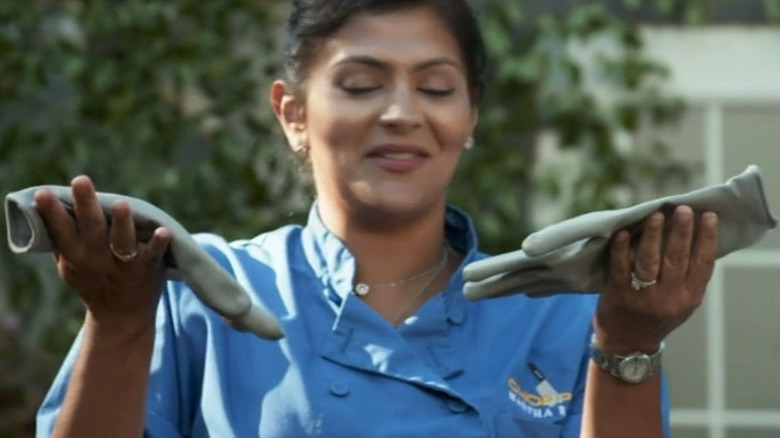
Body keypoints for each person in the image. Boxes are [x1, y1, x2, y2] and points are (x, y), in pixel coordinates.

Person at [33, 1, 719, 437]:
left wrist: (630, 343)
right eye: (361, 84)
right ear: (292, 114)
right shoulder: (203, 292)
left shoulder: (559, 316)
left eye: (436, 87)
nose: (401, 112)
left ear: (470, 117)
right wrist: (118, 322)